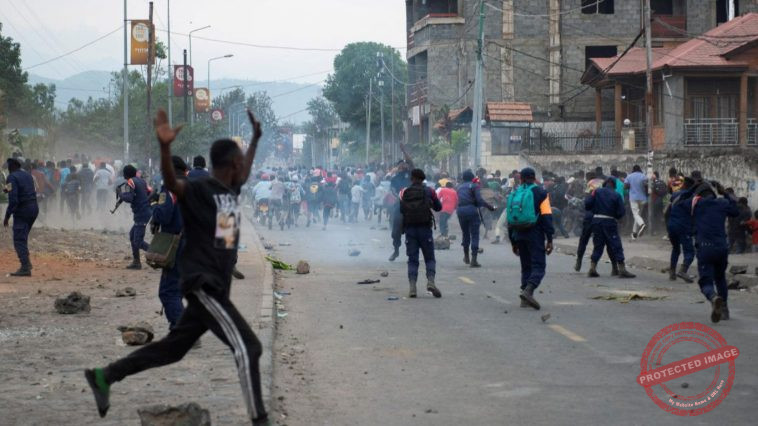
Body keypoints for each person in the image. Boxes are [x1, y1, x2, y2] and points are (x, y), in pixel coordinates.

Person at [86, 109, 269, 425]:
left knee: (173, 349)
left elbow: (245, 173)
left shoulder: (230, 191)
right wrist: (164, 146)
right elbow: (172, 182)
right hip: (205, 285)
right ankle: (260, 420)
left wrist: (254, 140)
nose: (244, 165)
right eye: (241, 159)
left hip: (215, 285)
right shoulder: (199, 189)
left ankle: (105, 376)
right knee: (249, 348)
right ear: (231, 163)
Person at [691, 181, 739, 323]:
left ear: (699, 195)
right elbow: (735, 211)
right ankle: (724, 310)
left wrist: (691, 189)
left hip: (705, 248)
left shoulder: (697, 205)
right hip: (722, 248)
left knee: (705, 281)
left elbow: (678, 202)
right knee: (720, 278)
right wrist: (725, 193)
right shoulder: (722, 203)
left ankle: (713, 297)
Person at [507, 168, 554, 310]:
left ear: (521, 179)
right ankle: (528, 291)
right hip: (535, 234)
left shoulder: (515, 193)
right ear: (534, 178)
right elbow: (546, 216)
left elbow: (510, 220)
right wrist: (549, 239)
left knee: (526, 266)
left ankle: (524, 298)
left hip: (519, 234)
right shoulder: (541, 193)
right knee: (539, 266)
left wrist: (513, 242)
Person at [151, 156, 188, 329]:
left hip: (177, 244)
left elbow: (163, 216)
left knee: (168, 292)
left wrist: (154, 204)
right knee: (178, 289)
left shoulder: (170, 189)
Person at [400, 169, 442, 298]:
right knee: (429, 258)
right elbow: (438, 207)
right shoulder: (430, 191)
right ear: (423, 179)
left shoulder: (404, 192)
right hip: (425, 229)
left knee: (412, 260)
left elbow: (401, 210)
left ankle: (412, 287)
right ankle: (431, 282)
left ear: (411, 178)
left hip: (410, 230)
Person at [584, 178, 635, 278]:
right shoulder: (616, 195)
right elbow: (621, 212)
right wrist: (614, 216)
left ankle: (592, 268)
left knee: (598, 245)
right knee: (616, 245)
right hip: (609, 222)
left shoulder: (596, 192)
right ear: (614, 186)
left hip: (596, 222)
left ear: (605, 184)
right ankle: (622, 269)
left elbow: (587, 204)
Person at [3, 158, 39, 276]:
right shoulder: (27, 175)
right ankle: (26, 263)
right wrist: (5, 189)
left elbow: (13, 200)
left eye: (8, 166)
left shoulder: (11, 177)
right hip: (34, 208)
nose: (7, 168)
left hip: (23, 210)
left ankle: (25, 267)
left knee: (19, 240)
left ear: (12, 166)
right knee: (22, 238)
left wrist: (7, 216)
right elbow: (16, 188)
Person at [457, 169, 495, 267]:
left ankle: (466, 256)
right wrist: (490, 207)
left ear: (463, 178)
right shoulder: (474, 186)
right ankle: (474, 260)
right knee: (474, 234)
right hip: (471, 210)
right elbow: (480, 200)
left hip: (460, 211)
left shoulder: (459, 187)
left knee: (465, 233)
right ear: (472, 178)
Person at [119, 164, 152, 269]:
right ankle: (136, 262)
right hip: (145, 211)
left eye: (124, 173)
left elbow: (129, 198)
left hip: (141, 213)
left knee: (138, 241)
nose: (123, 175)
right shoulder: (141, 181)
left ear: (126, 174)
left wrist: (120, 194)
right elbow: (150, 192)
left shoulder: (130, 182)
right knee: (132, 235)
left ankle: (157, 253)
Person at [665, 177, 695, 282]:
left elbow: (667, 212)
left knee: (676, 249)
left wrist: (668, 226)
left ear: (683, 184)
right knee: (690, 251)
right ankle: (683, 271)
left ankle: (672, 272)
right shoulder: (692, 197)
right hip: (683, 227)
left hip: (672, 226)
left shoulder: (675, 195)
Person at [388, 146, 414, 261]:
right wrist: (399, 197)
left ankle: (411, 252)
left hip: (412, 205)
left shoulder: (411, 174)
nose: (403, 166)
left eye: (404, 164)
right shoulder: (394, 179)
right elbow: (393, 191)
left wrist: (404, 151)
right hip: (400, 205)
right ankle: (396, 250)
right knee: (396, 230)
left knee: (413, 230)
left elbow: (410, 161)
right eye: (400, 165)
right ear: (397, 167)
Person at [624, 165, 647, 239]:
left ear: (633, 169)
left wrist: (630, 186)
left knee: (636, 215)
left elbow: (625, 186)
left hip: (633, 198)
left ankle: (642, 224)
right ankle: (634, 233)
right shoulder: (643, 176)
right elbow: (646, 185)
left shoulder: (629, 176)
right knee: (637, 215)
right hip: (643, 198)